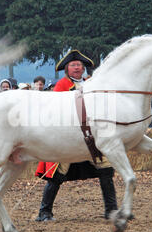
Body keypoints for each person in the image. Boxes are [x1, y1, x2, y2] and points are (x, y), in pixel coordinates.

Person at [35, 50, 118, 221]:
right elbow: (55, 110)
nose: (77, 68)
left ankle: (111, 210)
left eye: (79, 65)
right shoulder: (62, 85)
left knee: (106, 169)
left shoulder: (91, 83)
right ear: (67, 69)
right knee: (57, 173)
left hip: (91, 138)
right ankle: (44, 212)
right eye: (73, 65)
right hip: (68, 138)